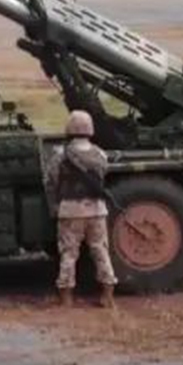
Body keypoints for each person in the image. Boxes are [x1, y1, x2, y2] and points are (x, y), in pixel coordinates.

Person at [44, 110, 118, 308]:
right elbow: (103, 175)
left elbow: (51, 181)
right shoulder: (100, 154)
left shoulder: (61, 155)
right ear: (90, 129)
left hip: (70, 210)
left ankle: (66, 298)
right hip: (97, 209)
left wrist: (54, 207)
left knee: (69, 254)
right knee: (101, 252)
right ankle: (107, 295)